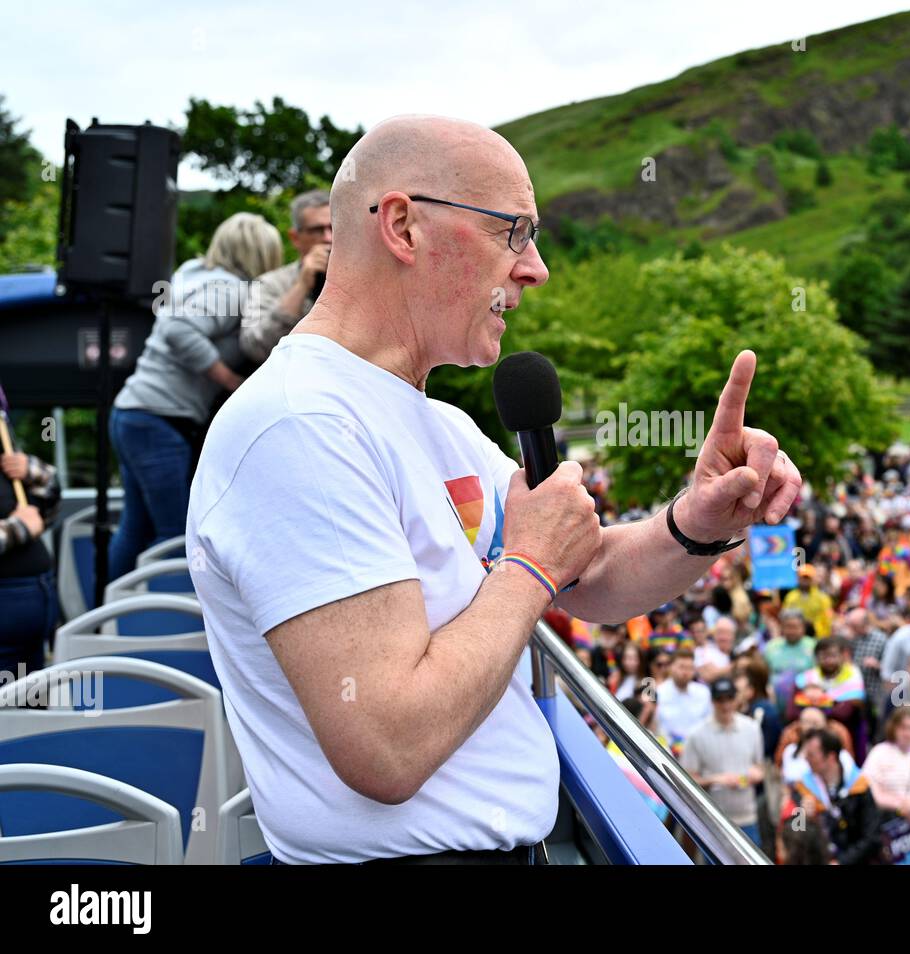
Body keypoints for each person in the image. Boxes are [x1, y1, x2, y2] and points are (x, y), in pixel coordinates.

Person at [186, 116, 803, 864]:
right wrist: (530, 568)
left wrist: (695, 522)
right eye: (513, 232)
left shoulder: (432, 420)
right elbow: (387, 743)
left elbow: (588, 572)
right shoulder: (297, 426)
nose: (535, 268)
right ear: (404, 226)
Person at [112, 212, 282, 580]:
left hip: (134, 413)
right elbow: (179, 329)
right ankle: (169, 628)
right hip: (158, 417)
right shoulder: (231, 290)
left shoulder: (195, 277)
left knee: (137, 527)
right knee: (175, 535)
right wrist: (230, 381)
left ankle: (104, 623)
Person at [240, 190, 332, 365]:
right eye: (317, 230)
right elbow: (255, 347)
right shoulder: (270, 283)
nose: (328, 238)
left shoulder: (368, 277)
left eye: (334, 227)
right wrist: (301, 286)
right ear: (295, 238)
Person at [0, 436, 60, 678]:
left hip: (30, 631)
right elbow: (26, 523)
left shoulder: (3, 434)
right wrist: (17, 528)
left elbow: (43, 514)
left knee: (31, 711)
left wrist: (36, 473)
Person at [681, 677, 765, 847]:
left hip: (747, 816)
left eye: (729, 699)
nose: (725, 705)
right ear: (712, 701)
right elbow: (686, 780)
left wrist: (754, 775)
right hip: (714, 819)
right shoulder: (696, 734)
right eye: (720, 700)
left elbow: (760, 767)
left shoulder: (752, 728)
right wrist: (716, 779)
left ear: (736, 699)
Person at [786, 728, 885, 865]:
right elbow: (795, 833)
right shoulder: (803, 788)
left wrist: (841, 862)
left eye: (811, 755)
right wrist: (803, 817)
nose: (806, 759)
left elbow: (872, 837)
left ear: (831, 757)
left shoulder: (859, 787)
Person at [864, 707, 910, 822]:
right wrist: (897, 805)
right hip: (885, 816)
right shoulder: (880, 751)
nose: (907, 733)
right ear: (893, 727)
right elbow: (868, 784)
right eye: (903, 727)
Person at [656, 649, 713, 756]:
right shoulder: (659, 693)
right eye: (681, 667)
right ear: (671, 667)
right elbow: (657, 727)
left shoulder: (703, 692)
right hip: (666, 752)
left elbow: (709, 722)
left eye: (690, 668)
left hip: (698, 751)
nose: (686, 672)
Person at [782, 563, 833, 638]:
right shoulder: (790, 597)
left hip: (817, 635)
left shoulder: (822, 598)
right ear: (798, 579)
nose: (805, 581)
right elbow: (785, 617)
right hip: (795, 635)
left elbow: (828, 618)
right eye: (803, 578)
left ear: (813, 579)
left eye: (808, 578)